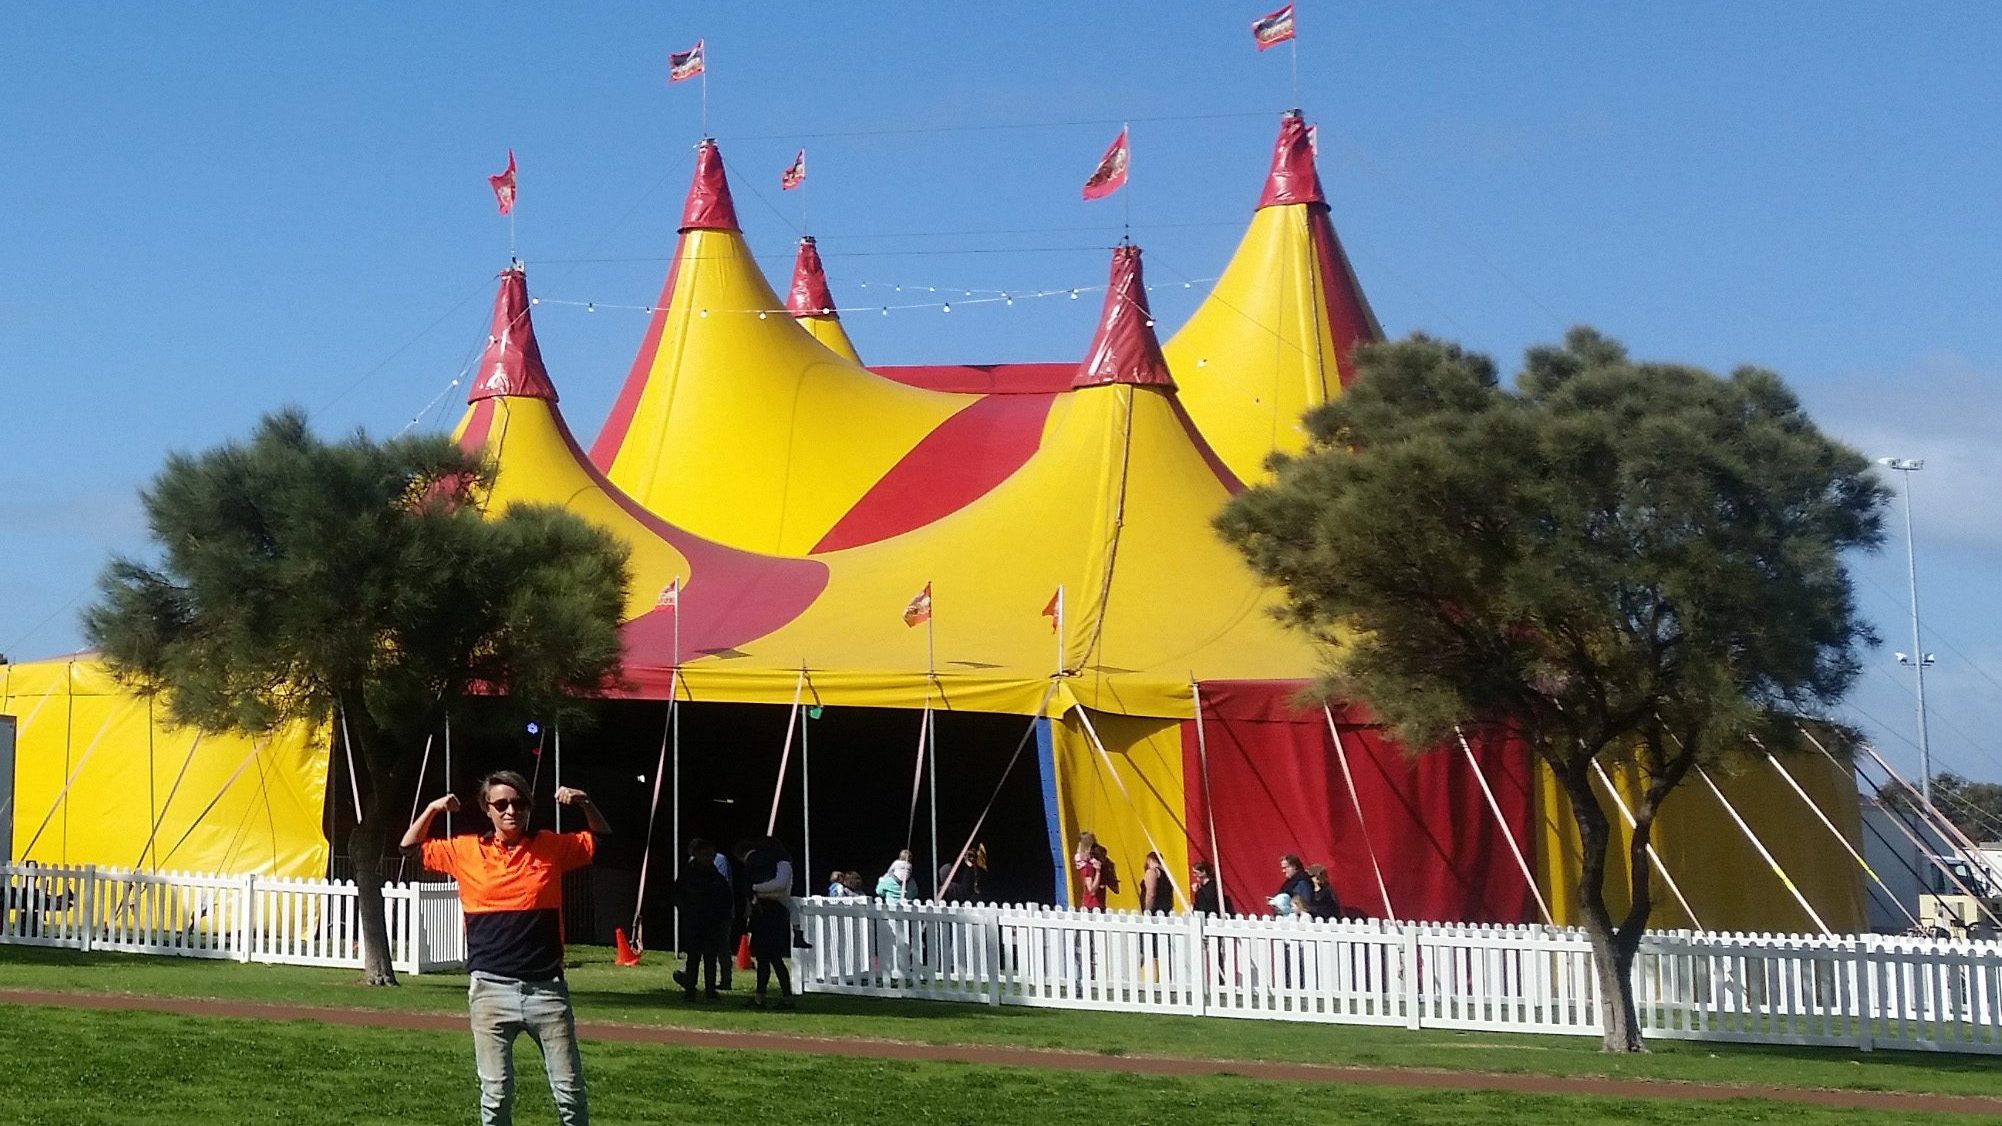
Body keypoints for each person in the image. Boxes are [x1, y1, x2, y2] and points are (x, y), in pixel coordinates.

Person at [403, 770, 609, 1126]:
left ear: (529, 807)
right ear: (487, 809)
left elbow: (603, 843)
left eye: (519, 803)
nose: (511, 811)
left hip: (547, 992)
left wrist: (585, 801)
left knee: (570, 1097)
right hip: (489, 993)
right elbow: (408, 849)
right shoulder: (465, 850)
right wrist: (434, 808)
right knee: (496, 1096)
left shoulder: (551, 846)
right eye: (501, 804)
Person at [741, 837, 798, 1010]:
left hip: (775, 912)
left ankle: (787, 998)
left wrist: (756, 888)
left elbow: (780, 887)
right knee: (763, 959)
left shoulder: (783, 865)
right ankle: (760, 997)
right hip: (763, 912)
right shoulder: (768, 867)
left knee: (774, 958)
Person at [672, 840, 732, 1001]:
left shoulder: (717, 877)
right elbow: (677, 895)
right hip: (693, 922)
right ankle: (690, 990)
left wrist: (722, 918)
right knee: (693, 958)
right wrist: (686, 911)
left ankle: (710, 990)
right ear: (697, 855)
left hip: (712, 923)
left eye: (712, 855)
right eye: (706, 855)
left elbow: (726, 899)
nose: (710, 858)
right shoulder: (688, 875)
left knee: (710, 958)